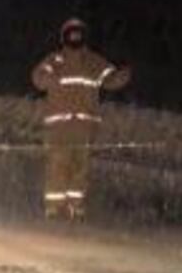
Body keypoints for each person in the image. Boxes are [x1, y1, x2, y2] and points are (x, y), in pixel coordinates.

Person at [30, 18, 129, 219]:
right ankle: (54, 206)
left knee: (80, 166)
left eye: (78, 33)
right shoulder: (55, 60)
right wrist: (46, 79)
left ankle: (76, 205)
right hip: (59, 125)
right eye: (71, 33)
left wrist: (121, 77)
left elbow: (110, 79)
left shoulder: (93, 61)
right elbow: (37, 78)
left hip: (84, 125)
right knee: (58, 163)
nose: (75, 36)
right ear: (64, 37)